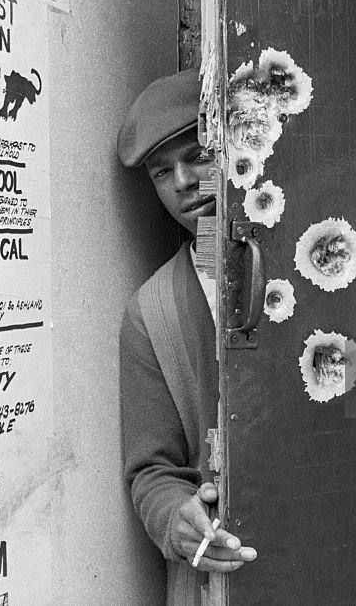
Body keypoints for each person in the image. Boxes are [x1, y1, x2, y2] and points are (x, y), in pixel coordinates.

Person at [117, 69, 258, 604]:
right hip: (226, 579)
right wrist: (175, 517)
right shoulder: (151, 314)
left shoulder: (310, 262)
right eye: (159, 172)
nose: (180, 182)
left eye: (198, 156)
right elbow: (151, 472)